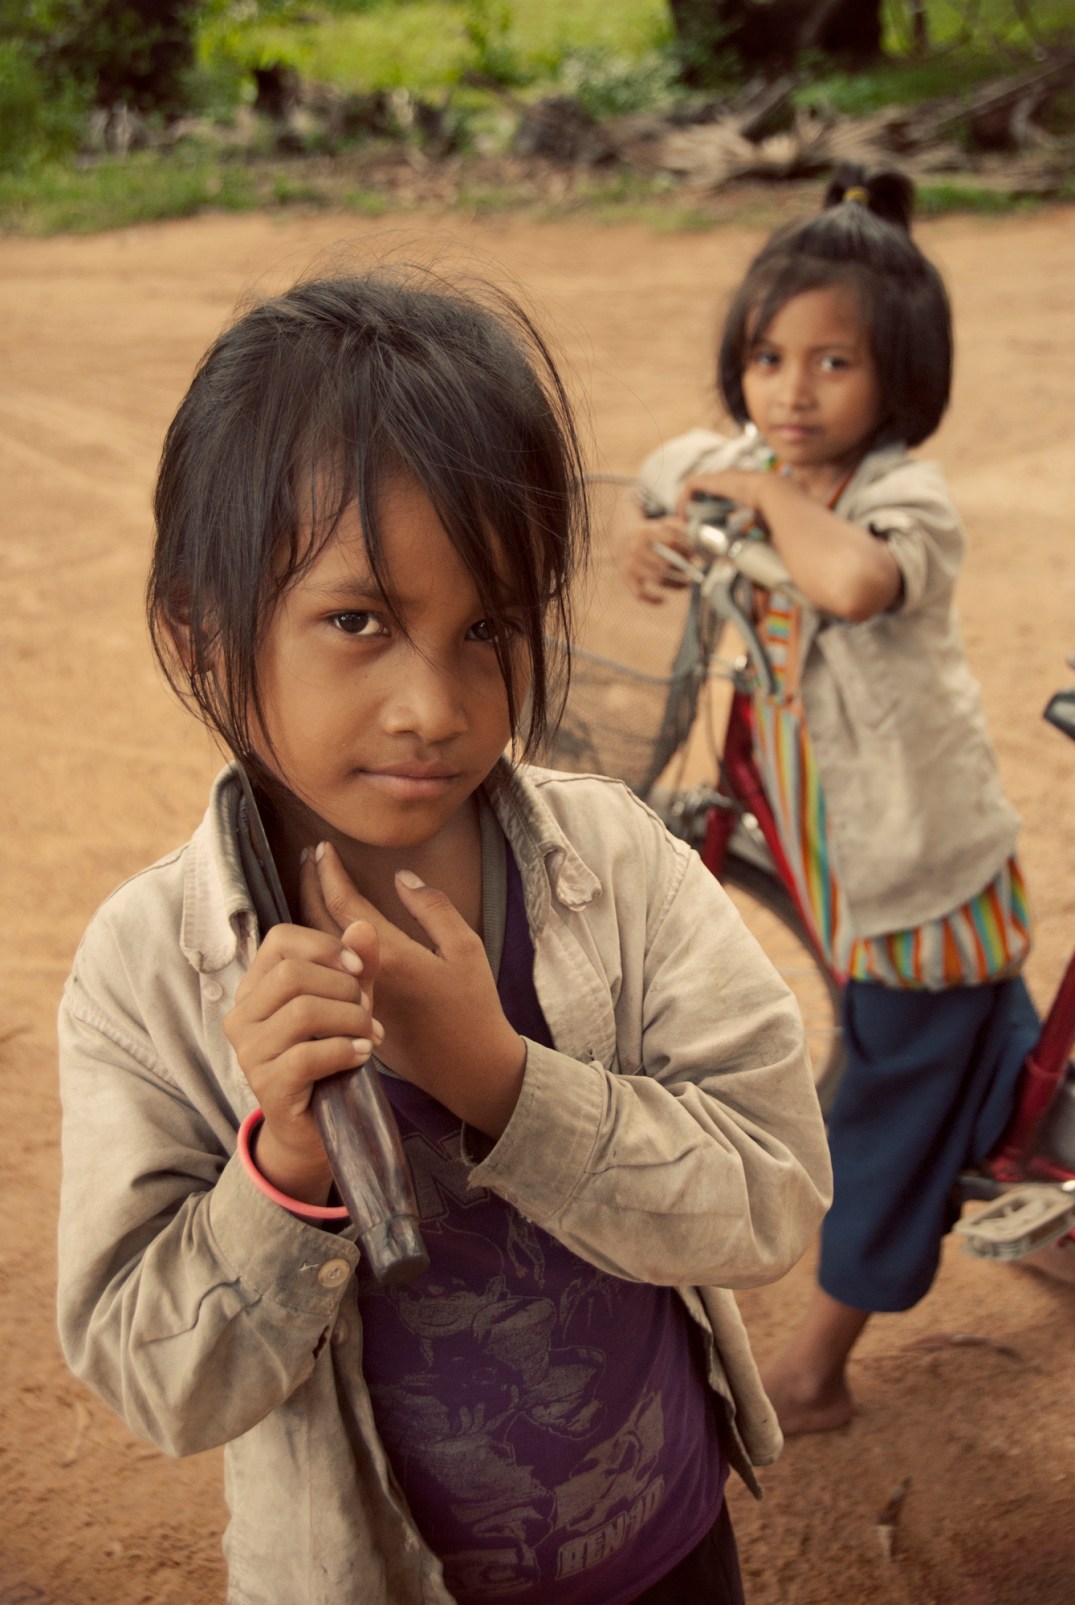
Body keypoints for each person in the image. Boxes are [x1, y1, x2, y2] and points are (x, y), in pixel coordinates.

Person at [56, 268, 831, 1604]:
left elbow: (772, 1192)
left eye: (487, 626)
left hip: (666, 1545)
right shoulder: (144, 974)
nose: (434, 706)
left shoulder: (619, 869)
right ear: (200, 626)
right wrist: (285, 1167)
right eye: (357, 621)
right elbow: (155, 1375)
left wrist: (506, 1083)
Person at [624, 164, 1041, 1437]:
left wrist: (753, 498)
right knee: (975, 1056)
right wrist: (664, 526)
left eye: (831, 364)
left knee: (888, 1106)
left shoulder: (899, 496)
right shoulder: (754, 459)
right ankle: (1040, 1174)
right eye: (766, 359)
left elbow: (854, 584)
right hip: (834, 854)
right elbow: (669, 467)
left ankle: (814, 1367)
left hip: (915, 866)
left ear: (895, 378)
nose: (790, 392)